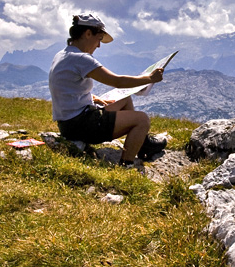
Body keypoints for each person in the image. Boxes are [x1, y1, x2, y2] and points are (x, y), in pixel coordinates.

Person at [49, 14, 165, 165]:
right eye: (99, 39)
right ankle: (126, 164)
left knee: (124, 98)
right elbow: (117, 81)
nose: (98, 45)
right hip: (81, 124)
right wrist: (149, 79)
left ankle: (141, 142)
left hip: (69, 123)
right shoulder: (81, 59)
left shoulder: (63, 54)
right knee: (142, 119)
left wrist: (94, 99)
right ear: (88, 33)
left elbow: (67, 88)